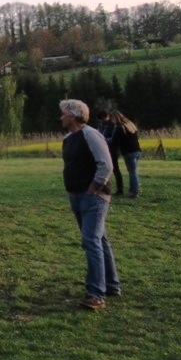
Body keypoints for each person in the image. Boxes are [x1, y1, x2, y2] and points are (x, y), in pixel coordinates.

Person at [59, 99, 121, 310]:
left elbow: (106, 165)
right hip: (77, 195)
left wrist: (93, 188)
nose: (61, 117)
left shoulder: (91, 135)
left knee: (91, 241)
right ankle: (111, 285)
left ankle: (96, 294)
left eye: (64, 113)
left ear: (73, 116)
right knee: (99, 239)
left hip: (93, 197)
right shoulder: (68, 139)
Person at [112, 110, 143, 198]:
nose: (112, 120)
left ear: (115, 118)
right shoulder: (130, 124)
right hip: (137, 150)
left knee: (132, 172)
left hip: (128, 152)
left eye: (112, 118)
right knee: (134, 171)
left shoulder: (120, 127)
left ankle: (133, 192)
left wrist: (104, 139)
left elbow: (115, 141)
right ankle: (136, 189)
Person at [97, 108, 125, 196]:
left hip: (113, 149)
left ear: (107, 116)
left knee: (115, 169)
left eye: (103, 119)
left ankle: (120, 189)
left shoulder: (113, 124)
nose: (102, 121)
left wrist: (103, 140)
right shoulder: (101, 124)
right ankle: (104, 188)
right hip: (104, 148)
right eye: (101, 119)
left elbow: (114, 138)